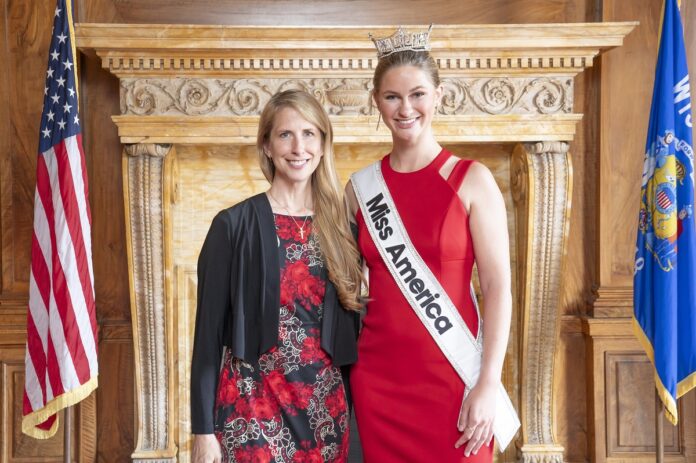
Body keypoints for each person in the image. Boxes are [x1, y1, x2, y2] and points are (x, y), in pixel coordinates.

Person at [346, 27, 515, 462]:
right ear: (375, 100)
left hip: (456, 379)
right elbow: (344, 285)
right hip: (380, 381)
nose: (405, 109)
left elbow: (498, 288)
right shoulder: (360, 189)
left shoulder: (473, 180)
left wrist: (488, 383)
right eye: (392, 97)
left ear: (439, 96)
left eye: (417, 94)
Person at [190, 89, 363, 463]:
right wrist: (202, 431)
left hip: (325, 409)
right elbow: (206, 338)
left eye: (309, 133)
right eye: (285, 134)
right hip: (252, 405)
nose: (298, 146)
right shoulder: (231, 226)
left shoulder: (345, 229)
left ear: (323, 143)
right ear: (267, 145)